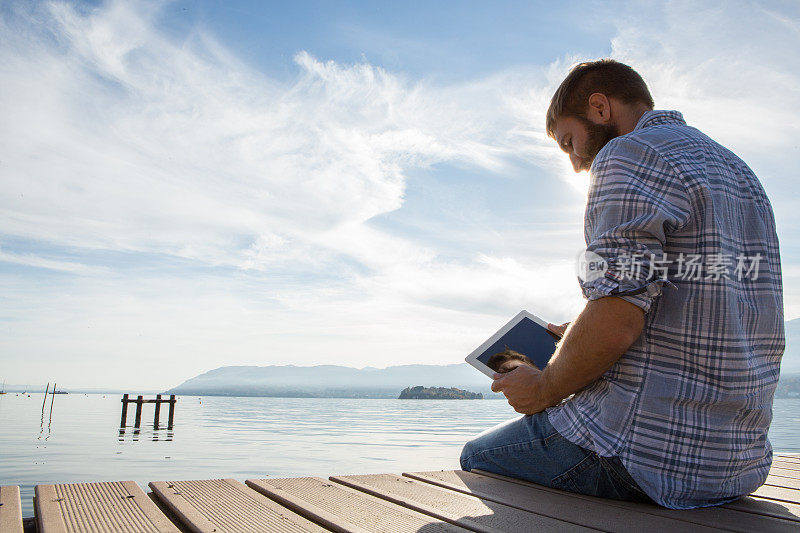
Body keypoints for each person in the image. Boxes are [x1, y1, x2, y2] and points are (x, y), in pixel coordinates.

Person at [460, 59, 784, 509]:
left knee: (477, 455)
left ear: (599, 108)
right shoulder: (739, 172)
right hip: (739, 463)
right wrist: (578, 335)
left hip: (648, 456)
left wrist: (543, 388)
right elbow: (698, 293)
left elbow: (617, 323)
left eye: (570, 143)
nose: (575, 164)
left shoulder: (628, 153)